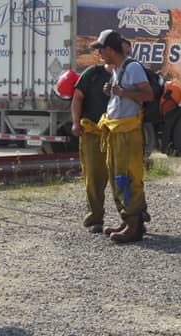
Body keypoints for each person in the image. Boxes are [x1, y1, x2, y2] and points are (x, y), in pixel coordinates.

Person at [91, 29, 153, 243]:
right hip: (116, 130)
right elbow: (121, 94)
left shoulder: (132, 67)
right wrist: (113, 91)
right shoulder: (117, 69)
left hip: (128, 131)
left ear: (109, 49)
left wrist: (123, 93)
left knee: (128, 176)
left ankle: (134, 226)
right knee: (116, 175)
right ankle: (127, 219)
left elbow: (148, 94)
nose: (99, 54)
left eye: (100, 49)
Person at [71, 62, 113, 233]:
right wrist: (75, 123)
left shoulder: (128, 73)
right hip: (92, 132)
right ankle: (95, 217)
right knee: (94, 176)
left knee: (124, 177)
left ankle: (131, 219)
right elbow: (77, 97)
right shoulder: (92, 73)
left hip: (118, 132)